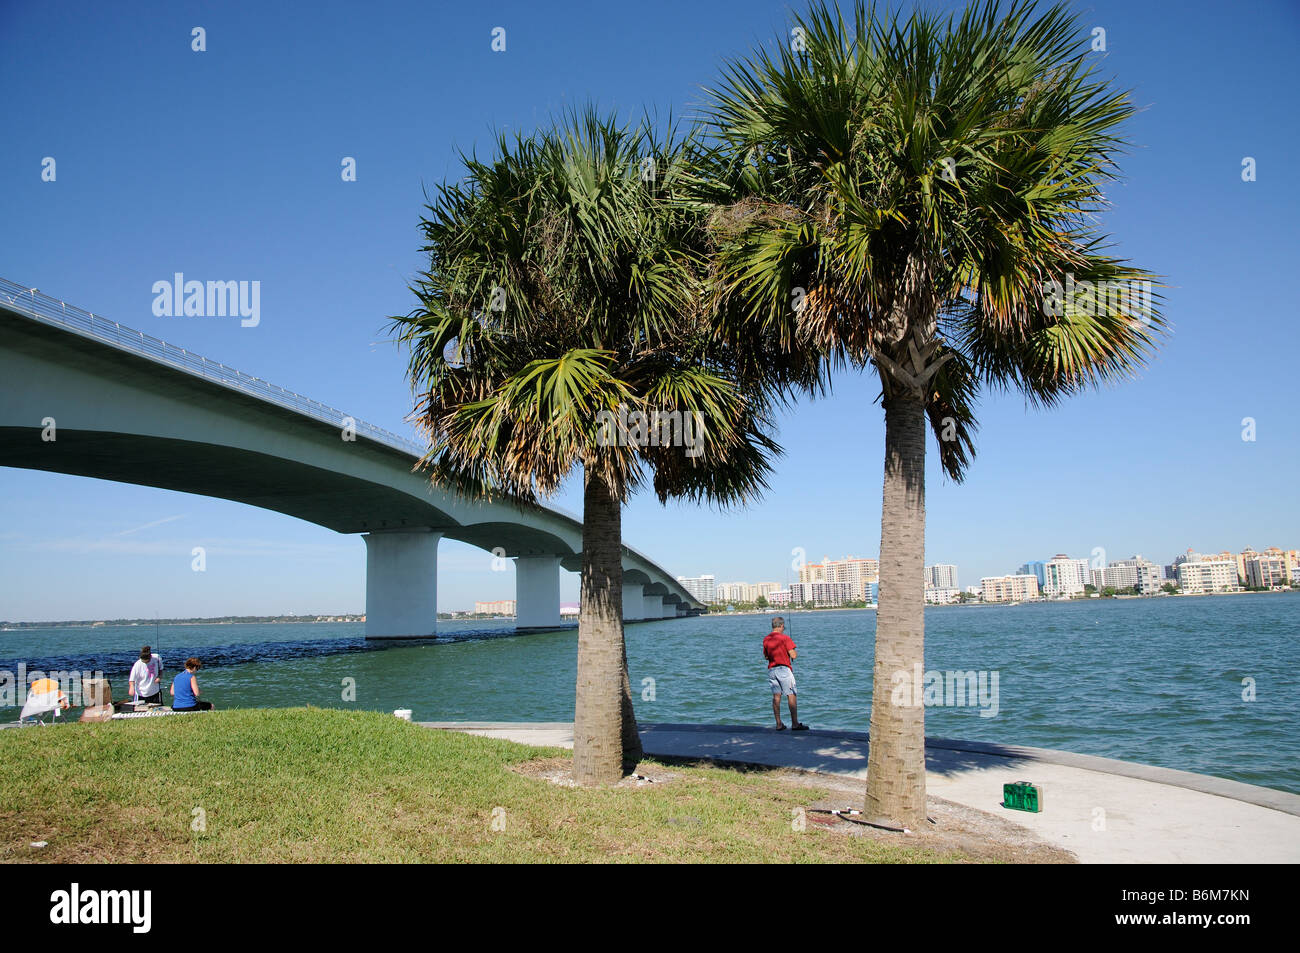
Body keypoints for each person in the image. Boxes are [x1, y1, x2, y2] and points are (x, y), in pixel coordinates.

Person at [762, 616, 807, 730]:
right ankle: (795, 723)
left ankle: (778, 724)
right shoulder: (785, 638)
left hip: (772, 670)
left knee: (776, 697)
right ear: (781, 626)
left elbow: (766, 656)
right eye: (783, 627)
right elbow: (794, 655)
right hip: (784, 670)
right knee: (791, 695)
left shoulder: (766, 639)